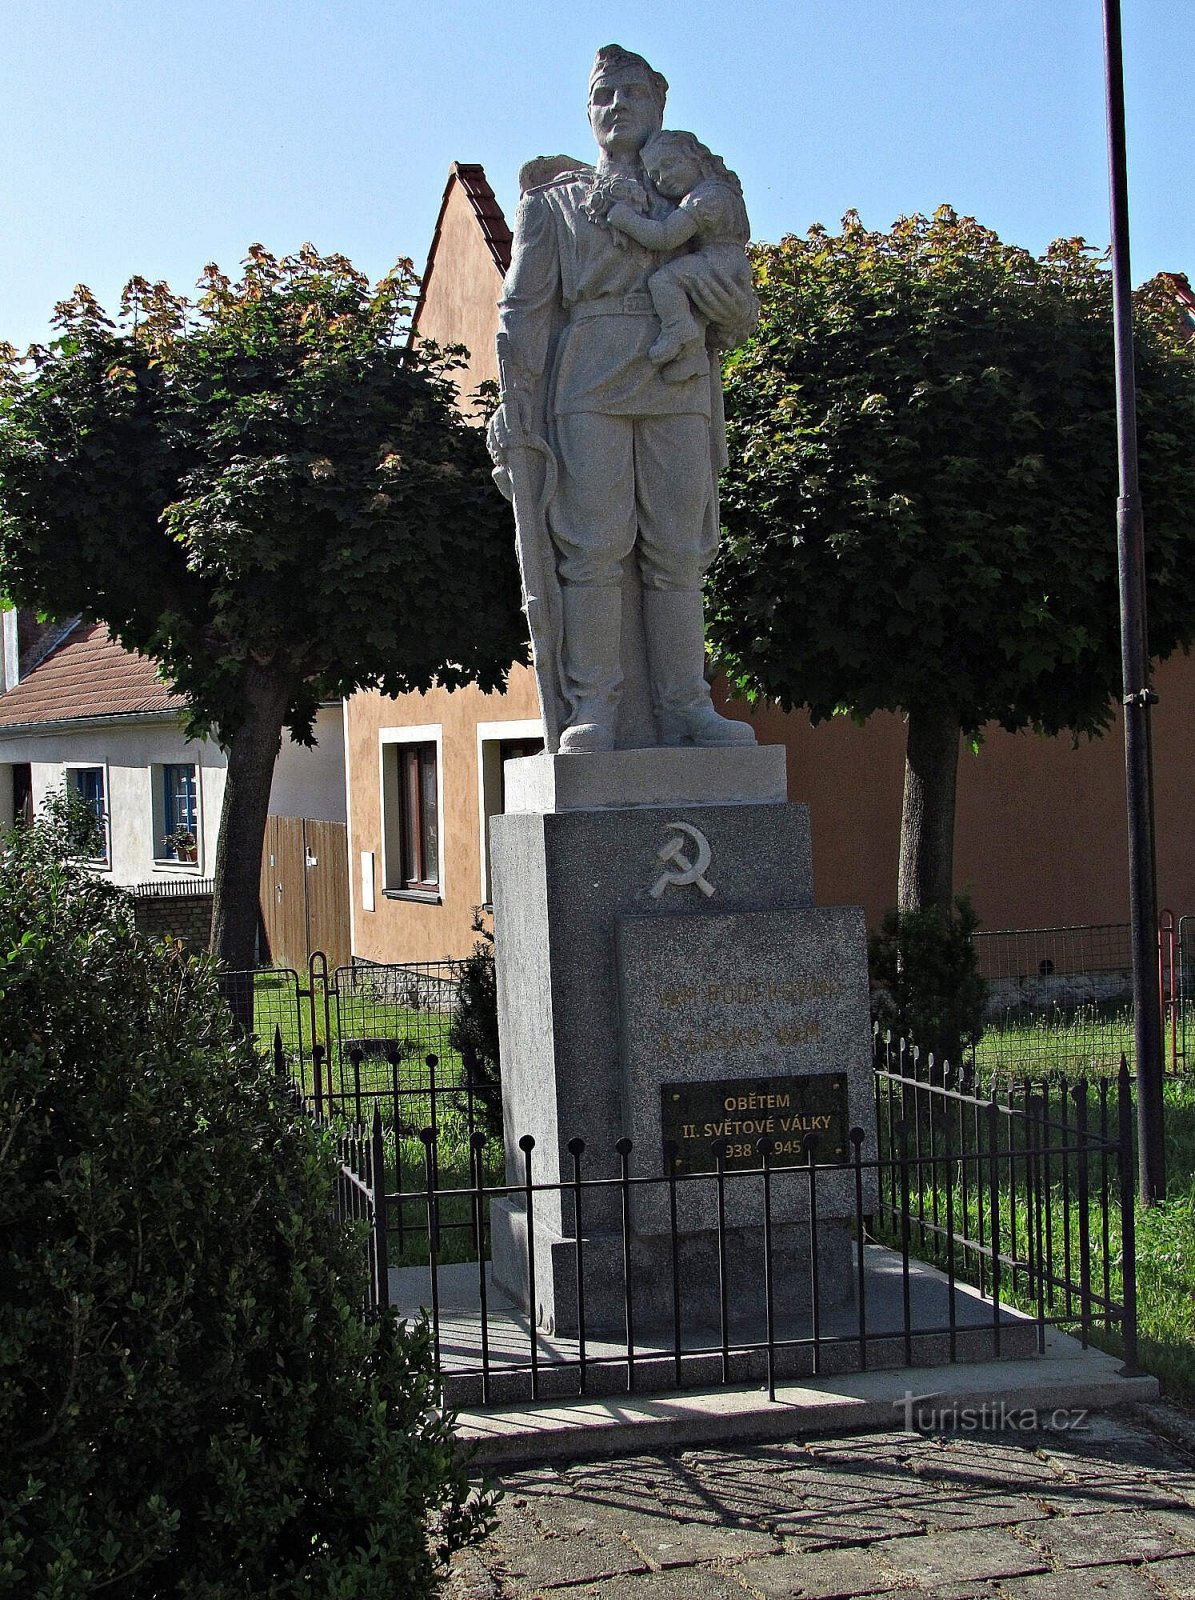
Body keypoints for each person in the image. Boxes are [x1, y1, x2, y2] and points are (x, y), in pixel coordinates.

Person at [487, 45, 759, 754]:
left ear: (658, 106)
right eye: (604, 94)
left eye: (632, 92)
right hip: (590, 374)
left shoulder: (696, 191)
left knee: (676, 550)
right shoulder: (552, 205)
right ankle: (596, 709)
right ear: (588, 111)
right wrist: (512, 400)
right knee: (594, 548)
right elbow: (526, 309)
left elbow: (734, 291)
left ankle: (685, 708)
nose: (618, 106)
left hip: (678, 380)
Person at [606, 130, 754, 385]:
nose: (663, 179)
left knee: (664, 281)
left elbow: (664, 237)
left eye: (669, 164)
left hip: (718, 262)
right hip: (728, 262)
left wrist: (625, 219)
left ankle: (678, 328)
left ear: (695, 158)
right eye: (655, 176)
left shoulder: (706, 198)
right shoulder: (723, 192)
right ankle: (691, 358)